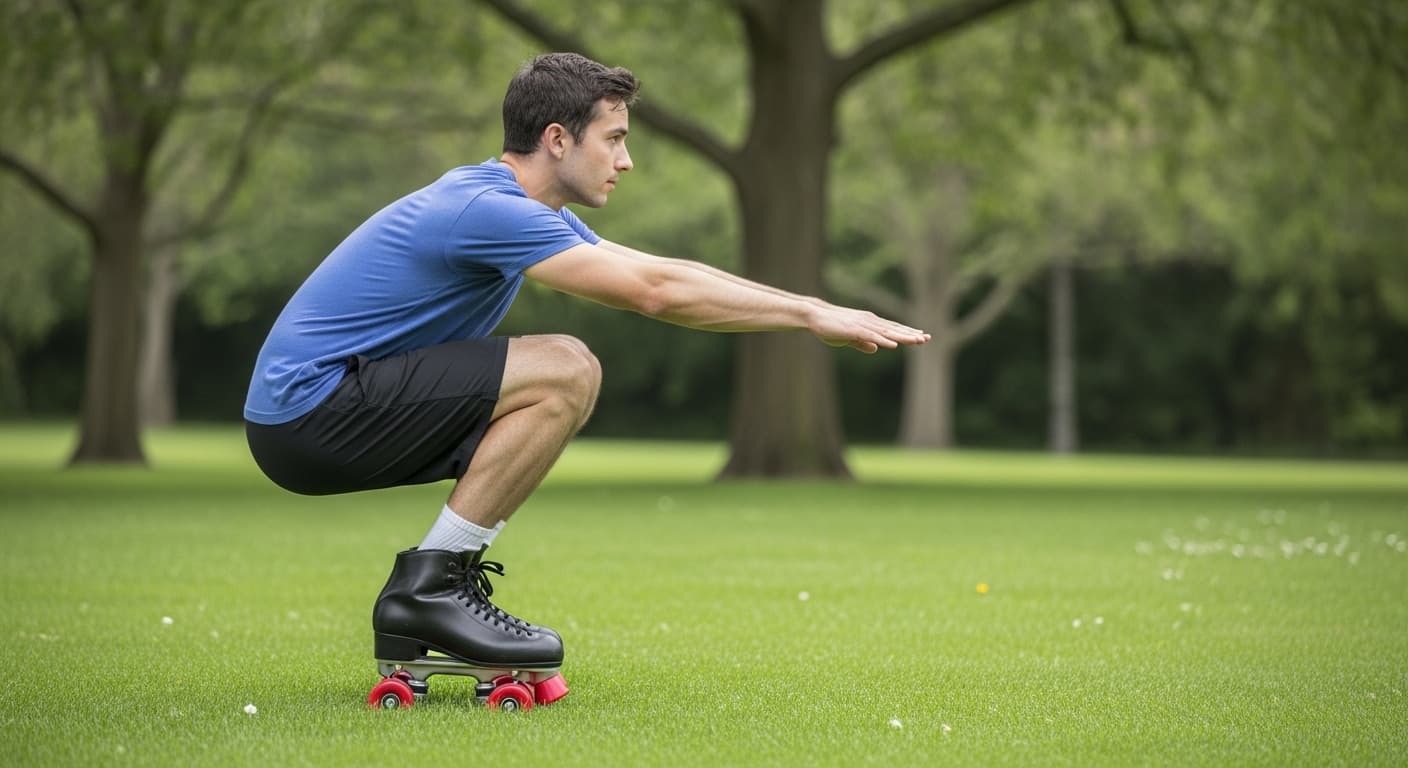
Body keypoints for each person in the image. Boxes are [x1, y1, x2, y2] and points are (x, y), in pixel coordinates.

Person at [243, 53, 929, 703]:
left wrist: (811, 306)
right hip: (310, 414)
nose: (626, 161)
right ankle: (430, 592)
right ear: (557, 140)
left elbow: (664, 270)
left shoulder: (521, 209)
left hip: (315, 416)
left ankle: (431, 592)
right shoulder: (489, 211)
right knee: (565, 370)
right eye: (614, 139)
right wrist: (808, 316)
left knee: (562, 373)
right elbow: (655, 294)